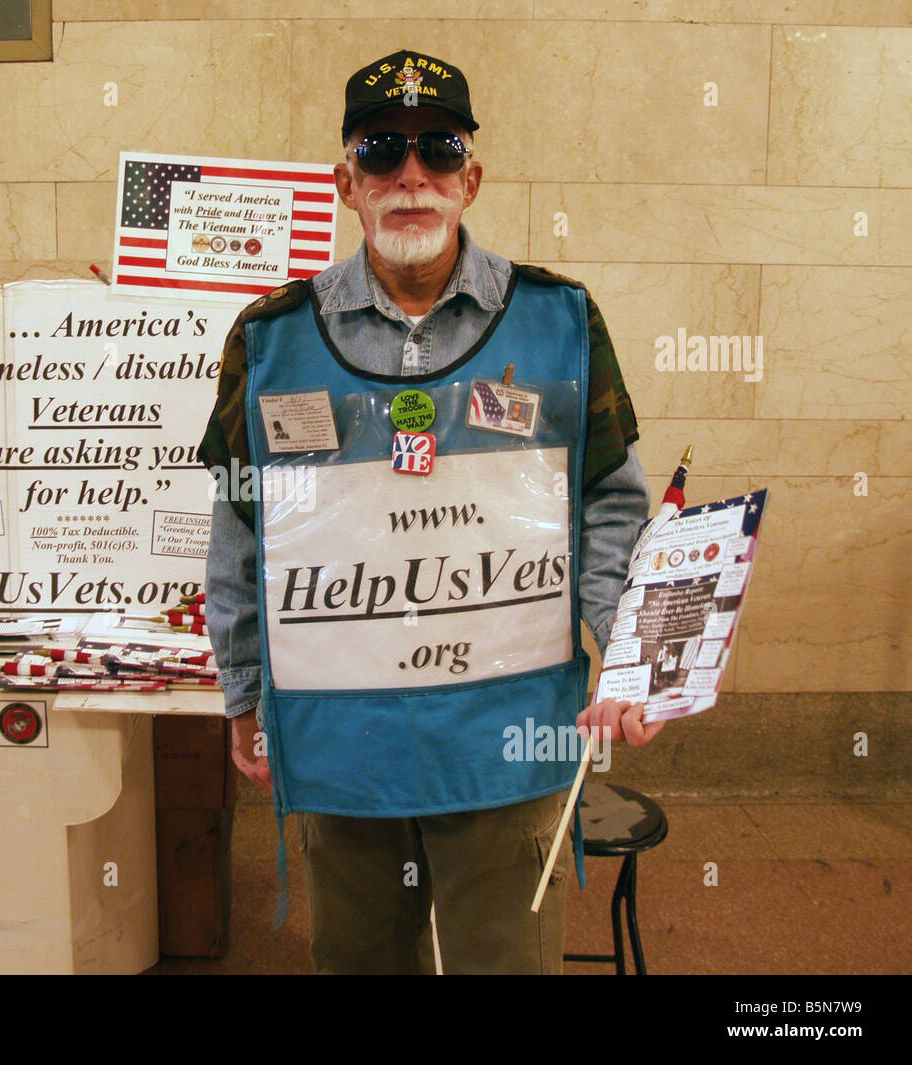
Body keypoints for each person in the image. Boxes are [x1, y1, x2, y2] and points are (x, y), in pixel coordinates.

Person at [198, 50, 663, 974]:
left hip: (506, 733)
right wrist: (244, 693)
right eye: (381, 151)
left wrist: (630, 651)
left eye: (438, 149)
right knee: (360, 958)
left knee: (505, 961)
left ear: (470, 179)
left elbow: (612, 503)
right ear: (346, 182)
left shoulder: (560, 322)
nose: (411, 175)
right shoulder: (270, 340)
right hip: (343, 738)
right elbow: (239, 533)